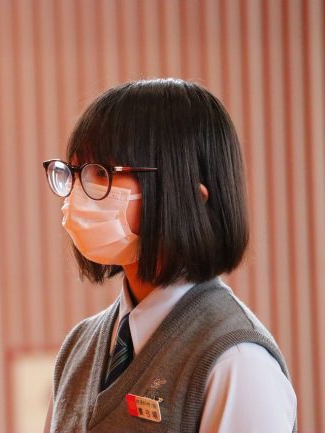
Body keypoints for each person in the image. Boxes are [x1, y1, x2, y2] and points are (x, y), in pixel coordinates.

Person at [41, 79, 296, 433]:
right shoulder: (78, 348)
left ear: (187, 195)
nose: (78, 193)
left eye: (101, 173)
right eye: (74, 172)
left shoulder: (237, 362)